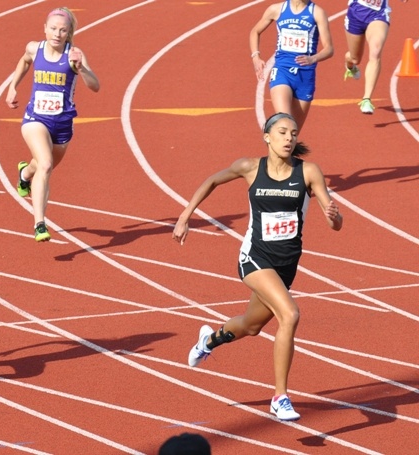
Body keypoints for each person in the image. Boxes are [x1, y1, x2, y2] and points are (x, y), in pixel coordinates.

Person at [172, 112, 343, 421]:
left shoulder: (308, 172)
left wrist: (334, 216)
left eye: (293, 133)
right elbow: (212, 180)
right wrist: (186, 216)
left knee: (251, 326)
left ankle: (209, 339)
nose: (289, 138)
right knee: (289, 315)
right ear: (267, 137)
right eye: (282, 132)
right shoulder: (250, 167)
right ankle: (280, 397)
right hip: (254, 258)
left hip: (286, 265)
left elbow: (336, 225)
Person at [6, 6, 100, 242]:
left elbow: (95, 85)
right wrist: (12, 86)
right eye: (53, 29)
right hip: (35, 119)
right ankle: (39, 223)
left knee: (41, 166)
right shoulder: (34, 48)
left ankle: (24, 174)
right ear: (45, 29)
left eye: (63, 30)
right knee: (46, 164)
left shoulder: (74, 54)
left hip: (63, 124)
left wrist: (81, 69)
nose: (57, 34)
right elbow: (24, 61)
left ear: (69, 33)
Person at [250, 0, 334, 132]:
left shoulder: (317, 13)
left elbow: (329, 49)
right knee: (286, 122)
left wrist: (313, 58)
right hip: (282, 71)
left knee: (293, 133)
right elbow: (255, 31)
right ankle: (275, 149)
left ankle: (287, 151)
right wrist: (256, 56)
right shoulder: (276, 9)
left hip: (305, 76)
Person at [343, 0, 408, 115]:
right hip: (356, 12)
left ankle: (366, 99)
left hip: (378, 14)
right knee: (355, 58)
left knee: (375, 51)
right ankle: (350, 65)